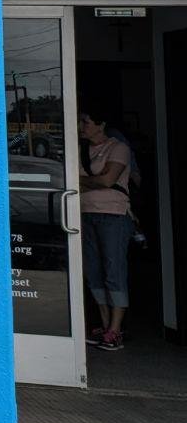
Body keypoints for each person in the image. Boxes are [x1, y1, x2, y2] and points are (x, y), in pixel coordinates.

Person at [78, 108, 132, 351]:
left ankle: (116, 330)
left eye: (86, 121)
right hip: (83, 214)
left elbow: (108, 180)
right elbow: (80, 180)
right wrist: (95, 181)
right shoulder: (79, 150)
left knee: (114, 269)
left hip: (113, 216)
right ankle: (105, 325)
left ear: (101, 124)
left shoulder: (118, 147)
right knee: (94, 272)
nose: (81, 125)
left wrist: (86, 181)